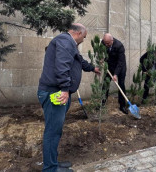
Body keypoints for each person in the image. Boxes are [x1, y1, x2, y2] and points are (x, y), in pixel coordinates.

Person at [37, 23, 100, 172]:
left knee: (55, 131)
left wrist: (93, 68)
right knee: (52, 132)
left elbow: (79, 61)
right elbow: (62, 66)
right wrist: (65, 89)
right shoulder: (66, 42)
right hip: (55, 93)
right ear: (78, 33)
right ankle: (50, 169)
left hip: (58, 92)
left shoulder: (68, 44)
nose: (84, 40)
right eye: (84, 37)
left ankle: (53, 163)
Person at [101, 33, 128, 114]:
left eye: (108, 43)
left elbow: (120, 62)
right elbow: (102, 50)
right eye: (105, 43)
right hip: (109, 66)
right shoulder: (104, 42)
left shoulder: (119, 46)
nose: (106, 45)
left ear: (112, 40)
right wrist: (101, 58)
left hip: (120, 67)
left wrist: (116, 74)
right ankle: (102, 103)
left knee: (121, 85)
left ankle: (122, 105)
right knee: (105, 84)